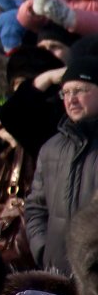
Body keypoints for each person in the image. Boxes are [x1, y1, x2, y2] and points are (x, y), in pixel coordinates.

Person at [26, 55, 98, 273]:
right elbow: (35, 207)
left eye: (79, 90)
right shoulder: (51, 148)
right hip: (56, 274)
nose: (71, 99)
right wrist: (42, 250)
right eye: (65, 92)